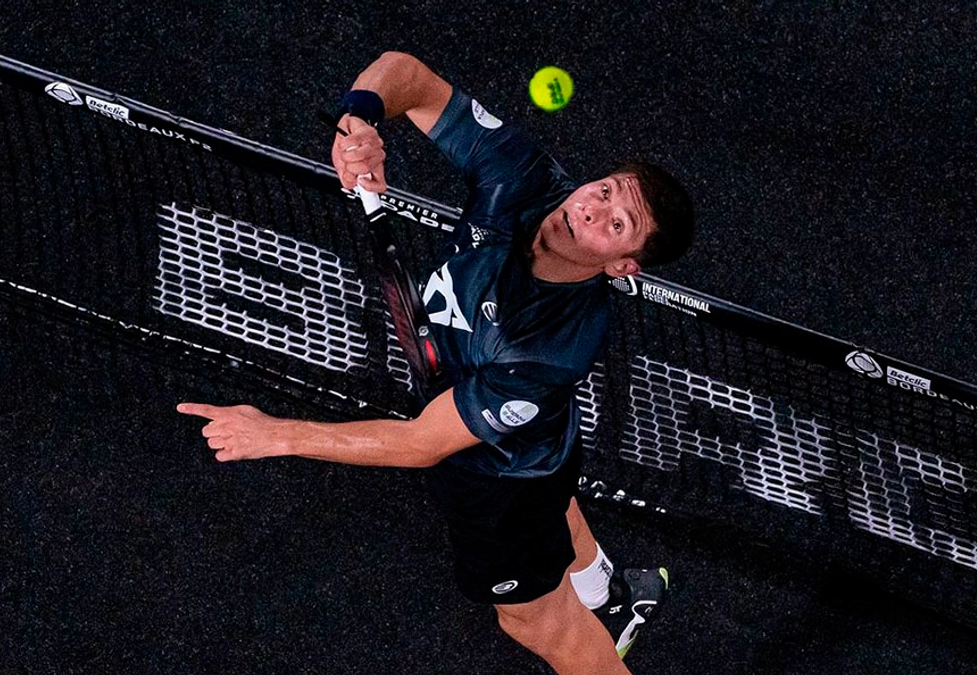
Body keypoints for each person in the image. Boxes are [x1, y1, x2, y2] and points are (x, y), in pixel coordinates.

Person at [178, 51, 695, 675]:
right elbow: (408, 76)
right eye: (605, 190)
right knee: (558, 493)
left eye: (616, 224)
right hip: (544, 441)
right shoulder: (525, 176)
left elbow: (423, 443)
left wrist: (276, 433)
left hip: (499, 483)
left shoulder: (550, 347)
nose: (590, 209)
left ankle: (590, 625)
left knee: (535, 620)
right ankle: (606, 594)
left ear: (622, 266)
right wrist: (362, 120)